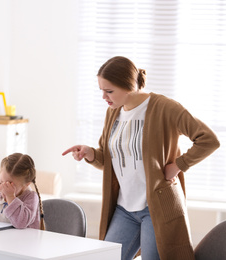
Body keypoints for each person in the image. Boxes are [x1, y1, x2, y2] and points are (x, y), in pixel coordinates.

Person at [62, 56, 220, 260]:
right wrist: (90, 154)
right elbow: (109, 160)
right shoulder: (113, 113)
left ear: (128, 86)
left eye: (109, 91)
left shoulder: (165, 108)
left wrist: (178, 165)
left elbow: (209, 140)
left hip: (156, 208)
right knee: (105, 257)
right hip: (124, 208)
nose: (103, 97)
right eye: (101, 90)